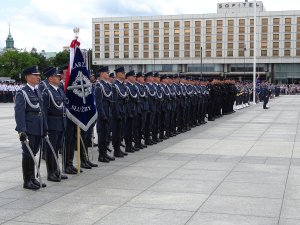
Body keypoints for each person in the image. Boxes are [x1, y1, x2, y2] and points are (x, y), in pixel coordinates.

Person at [15, 65, 46, 190]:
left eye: (38, 75)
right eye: (36, 75)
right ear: (28, 77)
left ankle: (33, 178)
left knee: (34, 153)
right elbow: (19, 112)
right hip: (29, 127)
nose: (38, 77)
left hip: (38, 126)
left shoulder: (37, 91)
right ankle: (27, 180)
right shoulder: (21, 93)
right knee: (27, 154)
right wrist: (22, 130)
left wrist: (44, 127)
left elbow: (41, 111)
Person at [42, 67, 68, 182]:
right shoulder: (47, 92)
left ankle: (56, 170)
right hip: (52, 124)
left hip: (61, 122)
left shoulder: (59, 90)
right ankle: (50, 172)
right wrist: (45, 127)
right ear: (51, 78)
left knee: (57, 148)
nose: (59, 77)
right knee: (51, 149)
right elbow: (44, 111)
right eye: (57, 76)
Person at [94, 66, 115, 162]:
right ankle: (101, 155)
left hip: (109, 112)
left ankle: (105, 153)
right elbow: (99, 103)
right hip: (103, 114)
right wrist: (103, 115)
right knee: (102, 135)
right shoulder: (99, 86)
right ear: (102, 74)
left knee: (107, 135)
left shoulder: (107, 85)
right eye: (106, 72)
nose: (108, 74)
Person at [111, 66, 128, 157]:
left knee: (121, 131)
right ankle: (116, 150)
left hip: (123, 110)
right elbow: (115, 101)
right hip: (117, 112)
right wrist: (117, 113)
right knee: (116, 132)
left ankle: (119, 148)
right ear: (118, 74)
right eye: (123, 73)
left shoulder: (122, 85)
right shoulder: (115, 85)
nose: (124, 74)